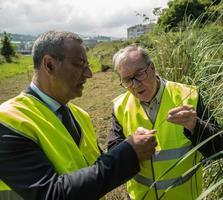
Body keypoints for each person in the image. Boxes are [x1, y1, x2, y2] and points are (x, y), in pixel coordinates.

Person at [0, 31, 157, 200]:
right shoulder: (9, 121)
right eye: (80, 64)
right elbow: (51, 194)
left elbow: (95, 171)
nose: (89, 74)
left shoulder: (80, 116)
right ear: (49, 65)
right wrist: (129, 152)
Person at [107, 46, 223, 200]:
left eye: (139, 74)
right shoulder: (120, 106)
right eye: (127, 80)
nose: (135, 84)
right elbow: (113, 158)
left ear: (152, 68)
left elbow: (221, 149)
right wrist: (131, 148)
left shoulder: (188, 96)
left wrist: (195, 126)